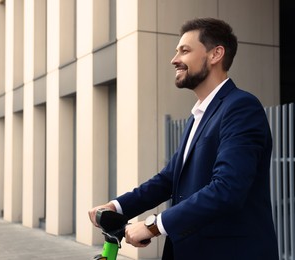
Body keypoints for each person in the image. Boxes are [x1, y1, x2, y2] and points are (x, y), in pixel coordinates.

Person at [89, 17, 279, 260]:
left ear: (215, 54)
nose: (174, 59)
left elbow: (227, 189)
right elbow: (170, 179)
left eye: (185, 50)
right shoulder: (198, 115)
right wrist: (117, 207)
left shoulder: (241, 107)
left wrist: (152, 225)